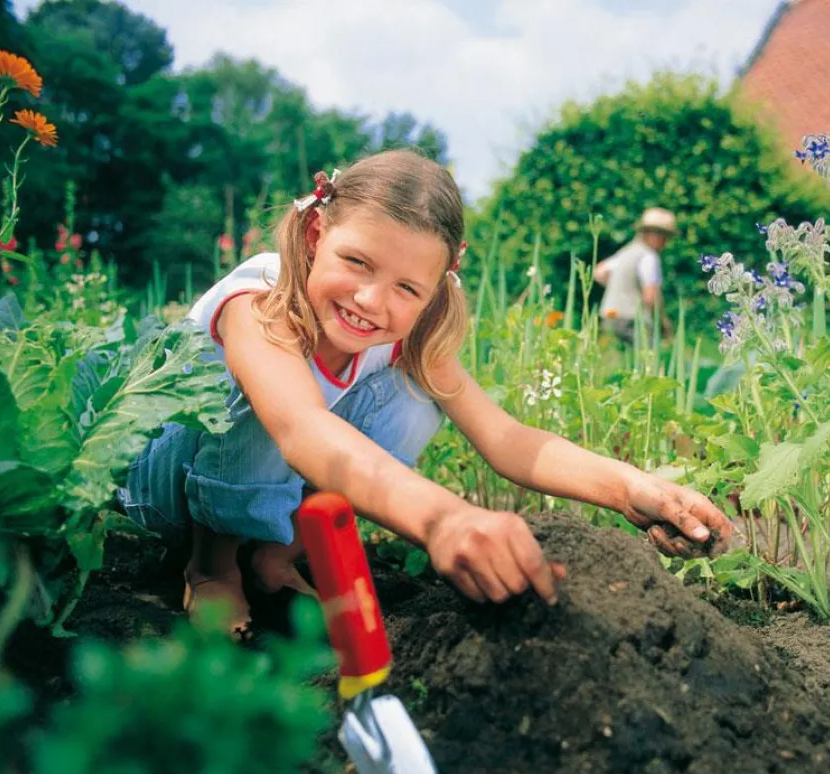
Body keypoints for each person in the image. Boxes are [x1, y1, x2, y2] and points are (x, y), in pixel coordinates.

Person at [118, 151, 729, 637]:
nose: (371, 301)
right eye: (356, 261)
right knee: (273, 403)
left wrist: (631, 487)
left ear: (439, 284)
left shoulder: (411, 338)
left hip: (253, 484)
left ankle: (273, 555)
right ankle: (213, 566)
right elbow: (301, 429)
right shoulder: (260, 302)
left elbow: (508, 439)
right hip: (168, 484)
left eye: (408, 287)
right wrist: (444, 521)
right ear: (313, 232)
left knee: (416, 397)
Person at [594, 207, 677, 345]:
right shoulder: (649, 257)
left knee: (612, 361)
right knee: (643, 362)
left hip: (609, 317)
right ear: (654, 234)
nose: (665, 242)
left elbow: (599, 272)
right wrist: (663, 324)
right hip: (633, 322)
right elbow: (651, 297)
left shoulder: (626, 252)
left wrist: (621, 288)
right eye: (664, 236)